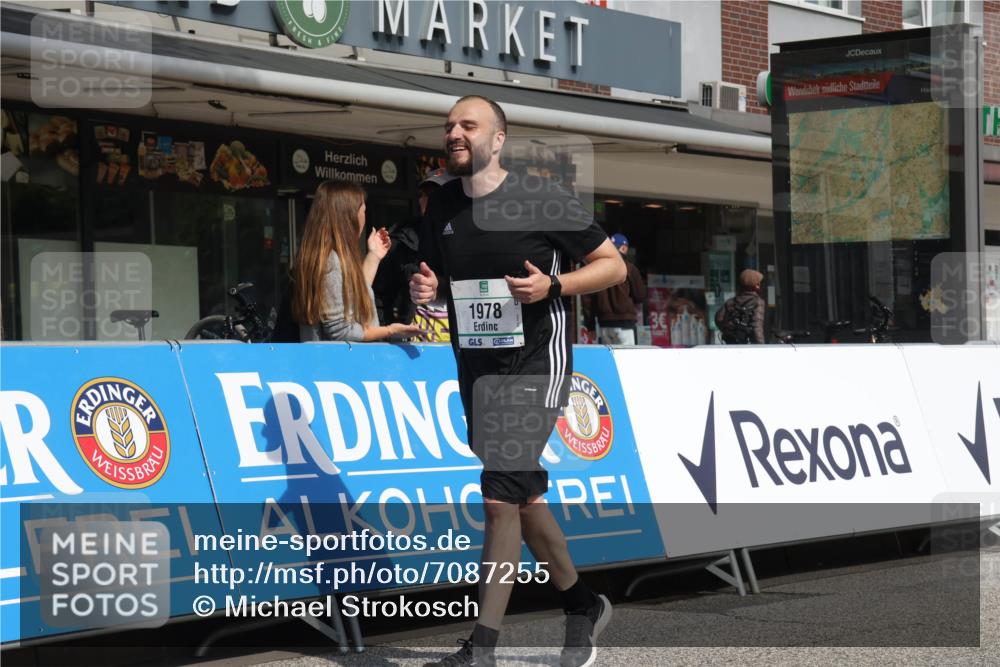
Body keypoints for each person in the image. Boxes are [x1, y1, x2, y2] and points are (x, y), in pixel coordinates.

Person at [410, 95, 626, 667]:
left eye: (468, 125)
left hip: (537, 361)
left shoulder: (539, 197)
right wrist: (424, 289)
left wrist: (553, 288)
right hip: (476, 365)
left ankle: (481, 649)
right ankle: (582, 605)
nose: (455, 132)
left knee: (498, 499)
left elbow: (613, 265)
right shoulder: (442, 206)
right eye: (450, 124)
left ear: (498, 139)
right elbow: (433, 274)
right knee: (523, 494)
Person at [294, 179, 422, 342]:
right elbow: (341, 330)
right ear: (349, 216)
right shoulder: (330, 261)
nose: (364, 217)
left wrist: (374, 256)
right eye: (363, 210)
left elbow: (353, 299)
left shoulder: (325, 257)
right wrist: (389, 330)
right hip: (342, 365)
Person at [590, 233, 646, 345]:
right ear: (624, 248)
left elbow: (590, 299)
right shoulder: (629, 268)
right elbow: (640, 295)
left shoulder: (599, 268)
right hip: (625, 323)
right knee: (627, 360)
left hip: (604, 323)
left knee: (610, 360)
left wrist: (590, 324)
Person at [715, 268, 766, 344]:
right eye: (759, 283)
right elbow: (757, 327)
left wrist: (729, 330)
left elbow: (718, 319)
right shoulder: (758, 302)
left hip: (731, 343)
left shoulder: (731, 301)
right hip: (750, 345)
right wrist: (761, 347)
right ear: (756, 285)